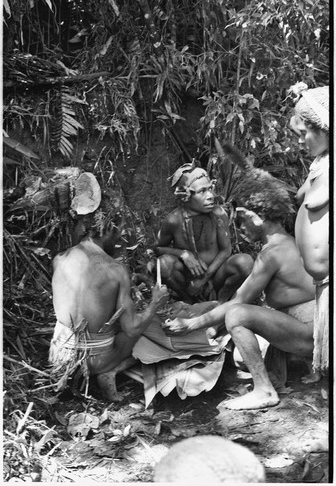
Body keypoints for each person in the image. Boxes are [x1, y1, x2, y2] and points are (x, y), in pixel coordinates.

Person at [162, 204, 316, 410]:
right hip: (310, 327)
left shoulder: (272, 252)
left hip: (309, 333)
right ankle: (308, 364)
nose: (239, 228)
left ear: (259, 217)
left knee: (236, 315)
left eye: (242, 220)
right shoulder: (289, 242)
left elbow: (237, 304)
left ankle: (264, 391)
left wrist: (191, 324)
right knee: (239, 357)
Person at [49, 223, 169, 402]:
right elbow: (132, 329)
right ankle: (111, 371)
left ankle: (68, 376)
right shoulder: (116, 270)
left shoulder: (59, 258)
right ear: (105, 229)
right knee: (145, 328)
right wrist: (155, 303)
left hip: (59, 356)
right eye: (118, 234)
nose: (119, 241)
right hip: (97, 361)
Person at [153, 160, 254, 303]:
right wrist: (183, 254)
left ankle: (223, 301)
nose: (211, 195)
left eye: (210, 188)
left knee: (245, 262)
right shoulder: (174, 220)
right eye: (202, 191)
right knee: (164, 264)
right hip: (188, 281)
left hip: (216, 275)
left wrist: (205, 278)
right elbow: (156, 249)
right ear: (185, 196)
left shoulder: (218, 214)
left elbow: (226, 250)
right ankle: (189, 302)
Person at [289, 83, 329, 377]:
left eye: (304, 134)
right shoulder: (319, 162)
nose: (300, 141)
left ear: (325, 128)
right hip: (322, 282)